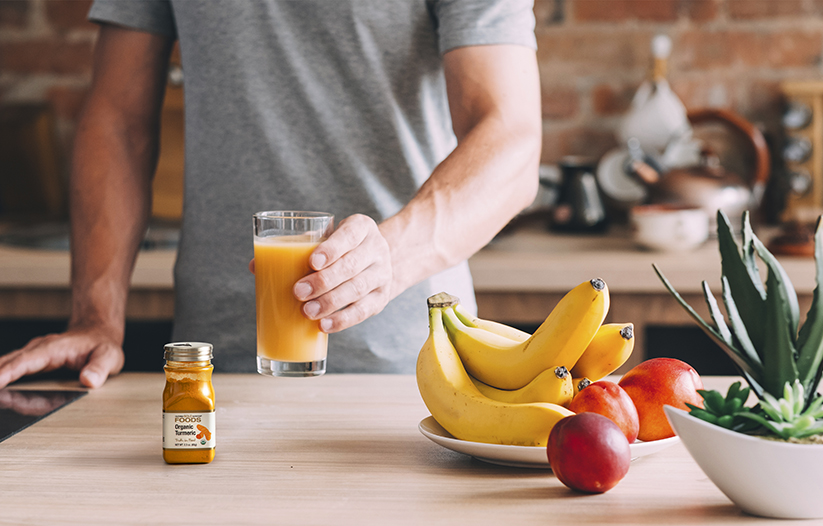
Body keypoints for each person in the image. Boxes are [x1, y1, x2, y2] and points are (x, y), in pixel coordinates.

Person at [0, 0, 541, 388]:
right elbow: (117, 121)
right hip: (211, 371)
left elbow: (511, 139)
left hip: (414, 374)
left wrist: (388, 258)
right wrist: (95, 315)